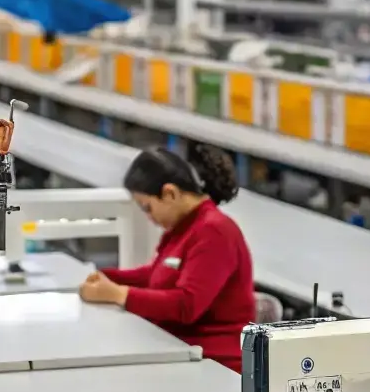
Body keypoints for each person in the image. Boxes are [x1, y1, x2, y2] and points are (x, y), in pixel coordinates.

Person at [78, 145, 255, 372]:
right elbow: (155, 275)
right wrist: (108, 277)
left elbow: (187, 305)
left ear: (170, 193)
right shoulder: (182, 228)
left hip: (217, 365)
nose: (149, 218)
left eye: (148, 208)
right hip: (182, 350)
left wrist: (118, 293)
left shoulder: (215, 231)